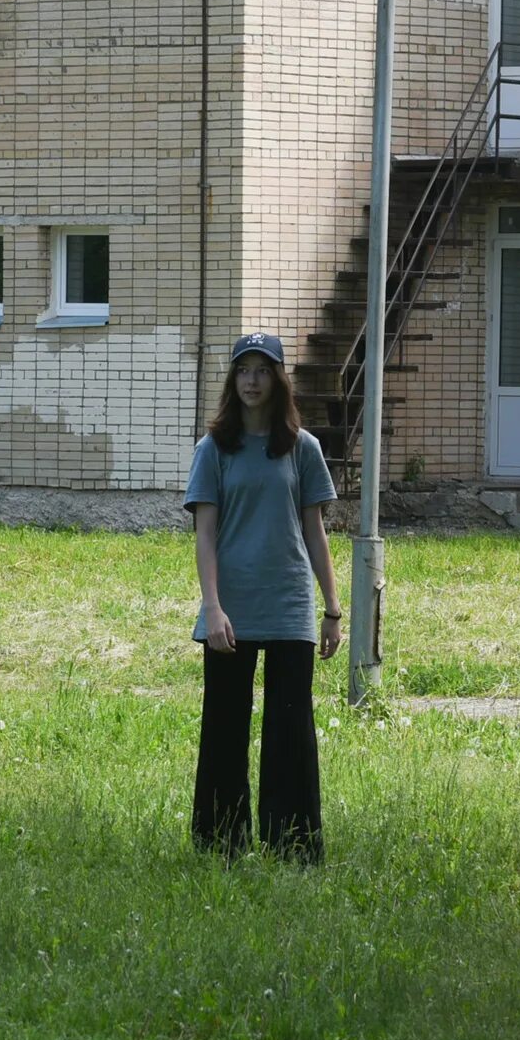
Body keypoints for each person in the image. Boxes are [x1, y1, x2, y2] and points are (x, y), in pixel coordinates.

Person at [186, 334, 341, 862]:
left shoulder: (303, 448)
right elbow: (205, 534)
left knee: (290, 730)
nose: (250, 380)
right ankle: (220, 844)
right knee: (225, 728)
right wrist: (212, 607)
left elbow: (315, 531)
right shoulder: (214, 449)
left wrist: (332, 609)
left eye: (261, 370)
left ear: (278, 379)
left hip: (289, 606)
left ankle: (293, 847)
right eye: (242, 370)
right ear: (233, 380)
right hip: (231, 608)